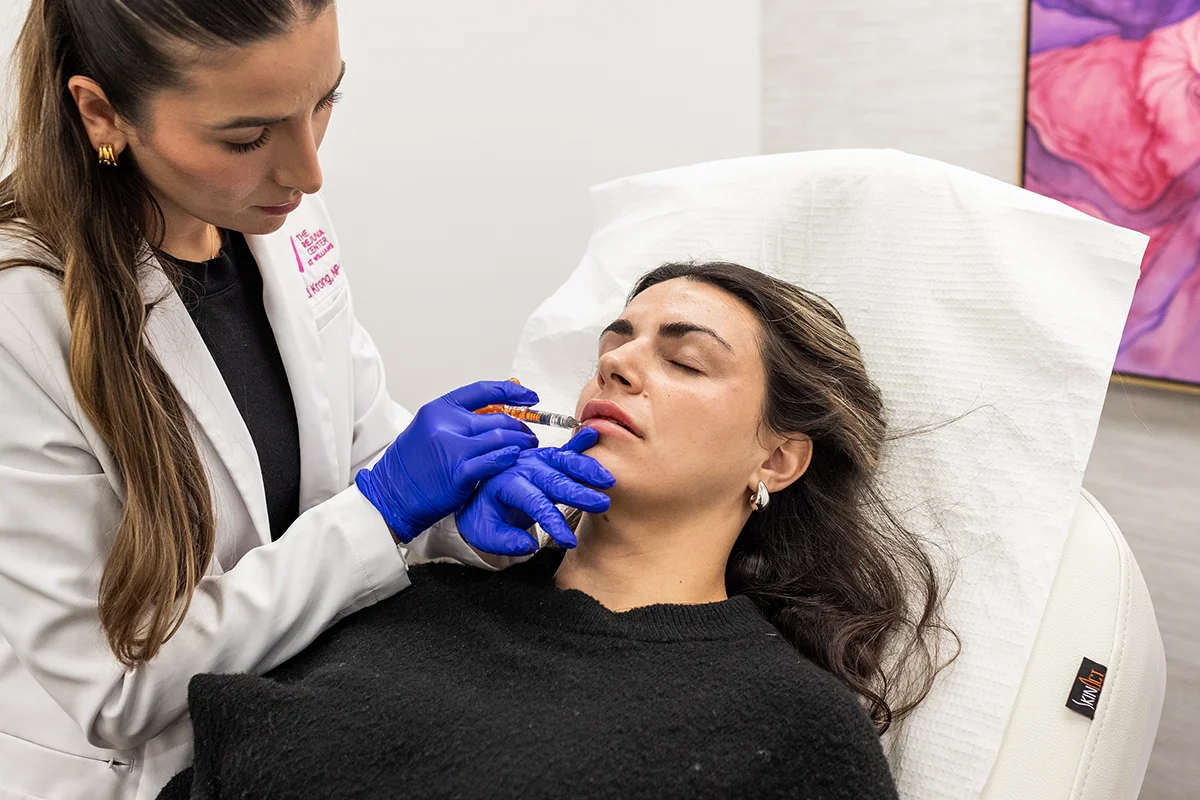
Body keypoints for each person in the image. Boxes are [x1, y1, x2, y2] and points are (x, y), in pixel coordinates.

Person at [0, 2, 611, 797]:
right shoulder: (24, 319)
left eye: (326, 101)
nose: (308, 170)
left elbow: (348, 462)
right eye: (247, 138)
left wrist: (456, 517)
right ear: (102, 112)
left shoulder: (276, 218)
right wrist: (385, 509)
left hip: (302, 725)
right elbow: (119, 685)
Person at [161, 262, 958, 800]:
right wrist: (387, 514)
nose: (617, 365)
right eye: (614, 345)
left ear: (778, 459)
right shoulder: (412, 596)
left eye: (684, 362)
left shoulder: (795, 725)